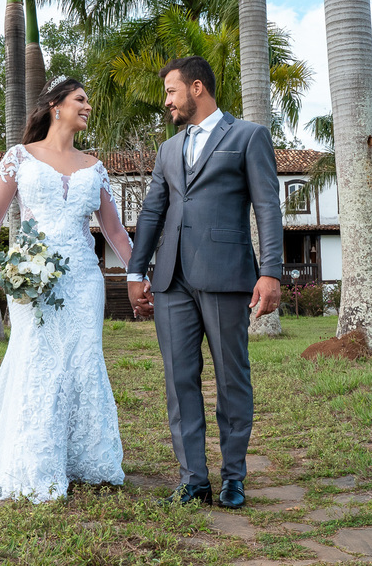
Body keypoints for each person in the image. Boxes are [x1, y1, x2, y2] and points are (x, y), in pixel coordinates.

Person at [0, 77, 134, 502]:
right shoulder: (20, 157)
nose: (87, 106)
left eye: (88, 101)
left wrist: (140, 273)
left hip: (84, 279)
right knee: (38, 360)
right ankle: (34, 461)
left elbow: (114, 231)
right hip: (32, 278)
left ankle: (86, 459)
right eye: (80, 99)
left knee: (83, 360)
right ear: (56, 105)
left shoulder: (94, 166)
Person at [126, 56, 283, 509]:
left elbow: (267, 206)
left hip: (226, 274)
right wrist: (136, 271)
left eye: (171, 91)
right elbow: (153, 212)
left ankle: (233, 477)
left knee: (232, 378)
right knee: (179, 380)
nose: (167, 102)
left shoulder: (248, 136)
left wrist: (270, 271)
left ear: (197, 88)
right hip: (171, 278)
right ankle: (193, 479)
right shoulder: (168, 150)